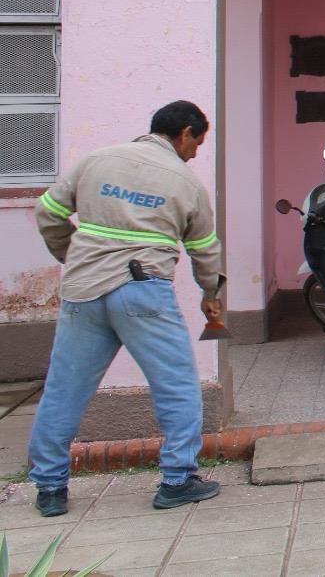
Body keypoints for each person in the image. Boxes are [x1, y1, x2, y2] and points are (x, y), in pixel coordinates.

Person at [28, 101, 224, 516]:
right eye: (197, 144)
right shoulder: (185, 182)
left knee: (64, 390)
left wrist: (72, 255)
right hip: (143, 291)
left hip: (83, 290)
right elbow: (205, 249)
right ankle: (177, 480)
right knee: (176, 386)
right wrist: (211, 291)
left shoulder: (96, 161)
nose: (194, 154)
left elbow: (48, 211)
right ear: (185, 133)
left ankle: (49, 487)